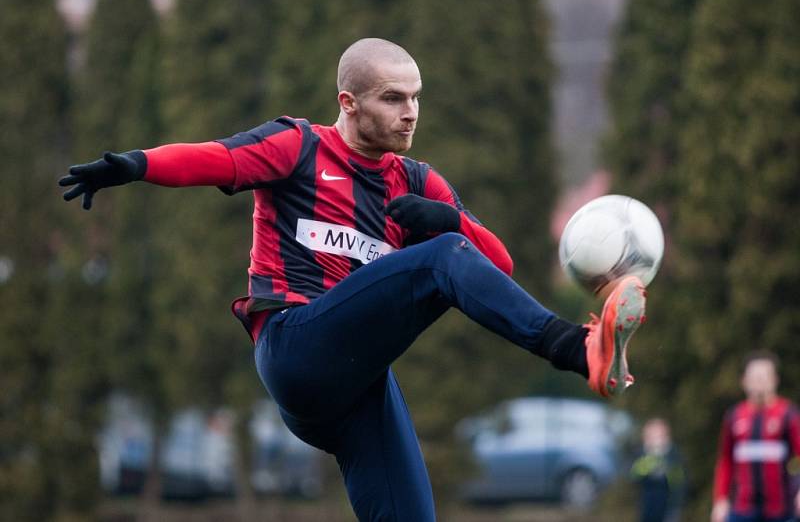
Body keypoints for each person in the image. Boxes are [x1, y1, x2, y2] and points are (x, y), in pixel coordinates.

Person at [59, 38, 647, 521]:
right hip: (294, 347)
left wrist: (454, 218)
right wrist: (133, 164)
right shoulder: (298, 147)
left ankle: (582, 348)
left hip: (357, 384)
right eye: (393, 99)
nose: (411, 112)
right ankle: (577, 348)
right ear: (349, 102)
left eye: (416, 98)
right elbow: (213, 157)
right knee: (442, 256)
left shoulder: (418, 181)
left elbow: (496, 268)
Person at [711, 351, 800, 522]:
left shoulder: (788, 415)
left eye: (764, 376)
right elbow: (726, 461)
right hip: (743, 510)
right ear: (744, 381)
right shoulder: (734, 416)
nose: (760, 381)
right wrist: (720, 500)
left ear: (775, 379)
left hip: (782, 511)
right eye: (754, 377)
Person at [631, 417, 686, 522]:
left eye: (660, 437)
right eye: (652, 437)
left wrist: (666, 467)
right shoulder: (641, 455)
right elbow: (633, 476)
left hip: (668, 508)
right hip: (647, 507)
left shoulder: (673, 455)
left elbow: (679, 482)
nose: (656, 441)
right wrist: (647, 464)